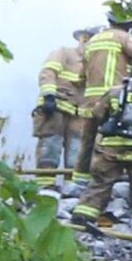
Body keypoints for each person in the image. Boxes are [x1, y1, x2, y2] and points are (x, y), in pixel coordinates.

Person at [72, 0, 132, 233]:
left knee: (92, 147)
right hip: (118, 104)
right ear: (129, 25)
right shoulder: (123, 38)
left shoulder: (92, 42)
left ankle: (79, 189)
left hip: (94, 101)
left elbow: (80, 77)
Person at [30, 26, 92, 177]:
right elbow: (48, 72)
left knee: (77, 152)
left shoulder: (95, 64)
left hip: (79, 113)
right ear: (83, 39)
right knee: (50, 147)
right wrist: (49, 96)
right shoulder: (64, 53)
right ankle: (46, 186)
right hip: (54, 108)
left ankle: (71, 186)